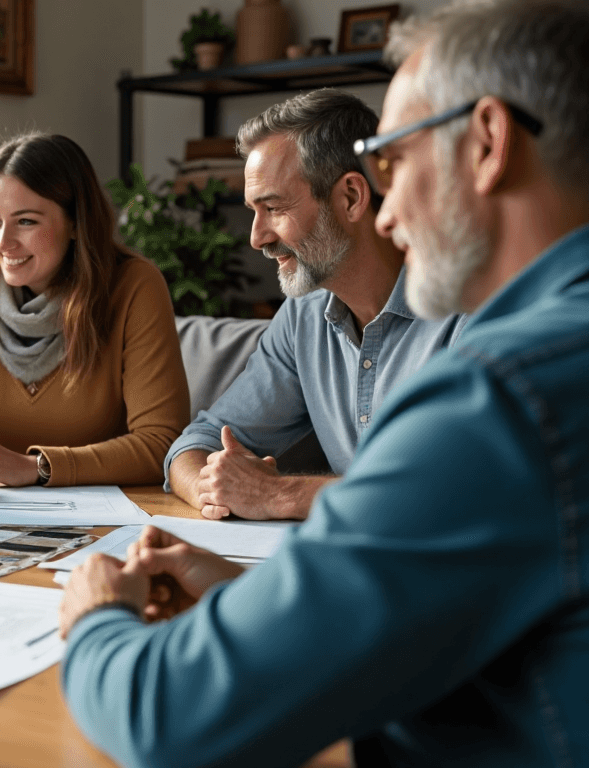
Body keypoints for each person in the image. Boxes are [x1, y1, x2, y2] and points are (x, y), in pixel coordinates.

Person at [58, 1, 589, 765]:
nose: (388, 206)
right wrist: (258, 597)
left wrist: (98, 617)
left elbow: (168, 715)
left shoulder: (504, 394)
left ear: (486, 144)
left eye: (395, 160)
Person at [164, 88, 466, 521]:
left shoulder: (467, 309)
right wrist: (213, 487)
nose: (257, 237)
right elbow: (199, 441)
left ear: (350, 198)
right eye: (253, 210)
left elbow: (460, 490)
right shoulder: (303, 316)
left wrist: (280, 495)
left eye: (273, 207)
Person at [0, 132, 189, 499]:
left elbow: (162, 443)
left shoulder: (135, 287)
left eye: (26, 221)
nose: (3, 242)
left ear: (77, 223)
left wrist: (38, 467)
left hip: (112, 520)